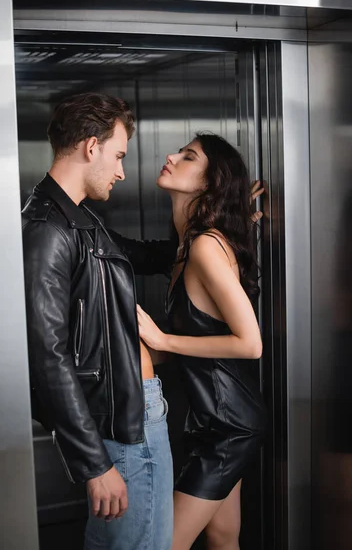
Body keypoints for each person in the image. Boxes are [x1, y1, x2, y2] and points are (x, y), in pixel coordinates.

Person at [21, 92, 175, 550]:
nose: (122, 171)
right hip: (119, 430)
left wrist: (217, 227)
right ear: (92, 147)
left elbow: (140, 254)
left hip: (130, 415)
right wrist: (95, 464)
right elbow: (47, 357)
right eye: (119, 155)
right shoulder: (48, 230)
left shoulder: (79, 220)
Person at [137, 133, 267, 550]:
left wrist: (164, 340)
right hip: (213, 420)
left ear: (210, 183)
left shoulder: (205, 248)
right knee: (223, 537)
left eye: (188, 156)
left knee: (164, 543)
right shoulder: (189, 245)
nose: (171, 157)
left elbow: (250, 344)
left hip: (228, 427)